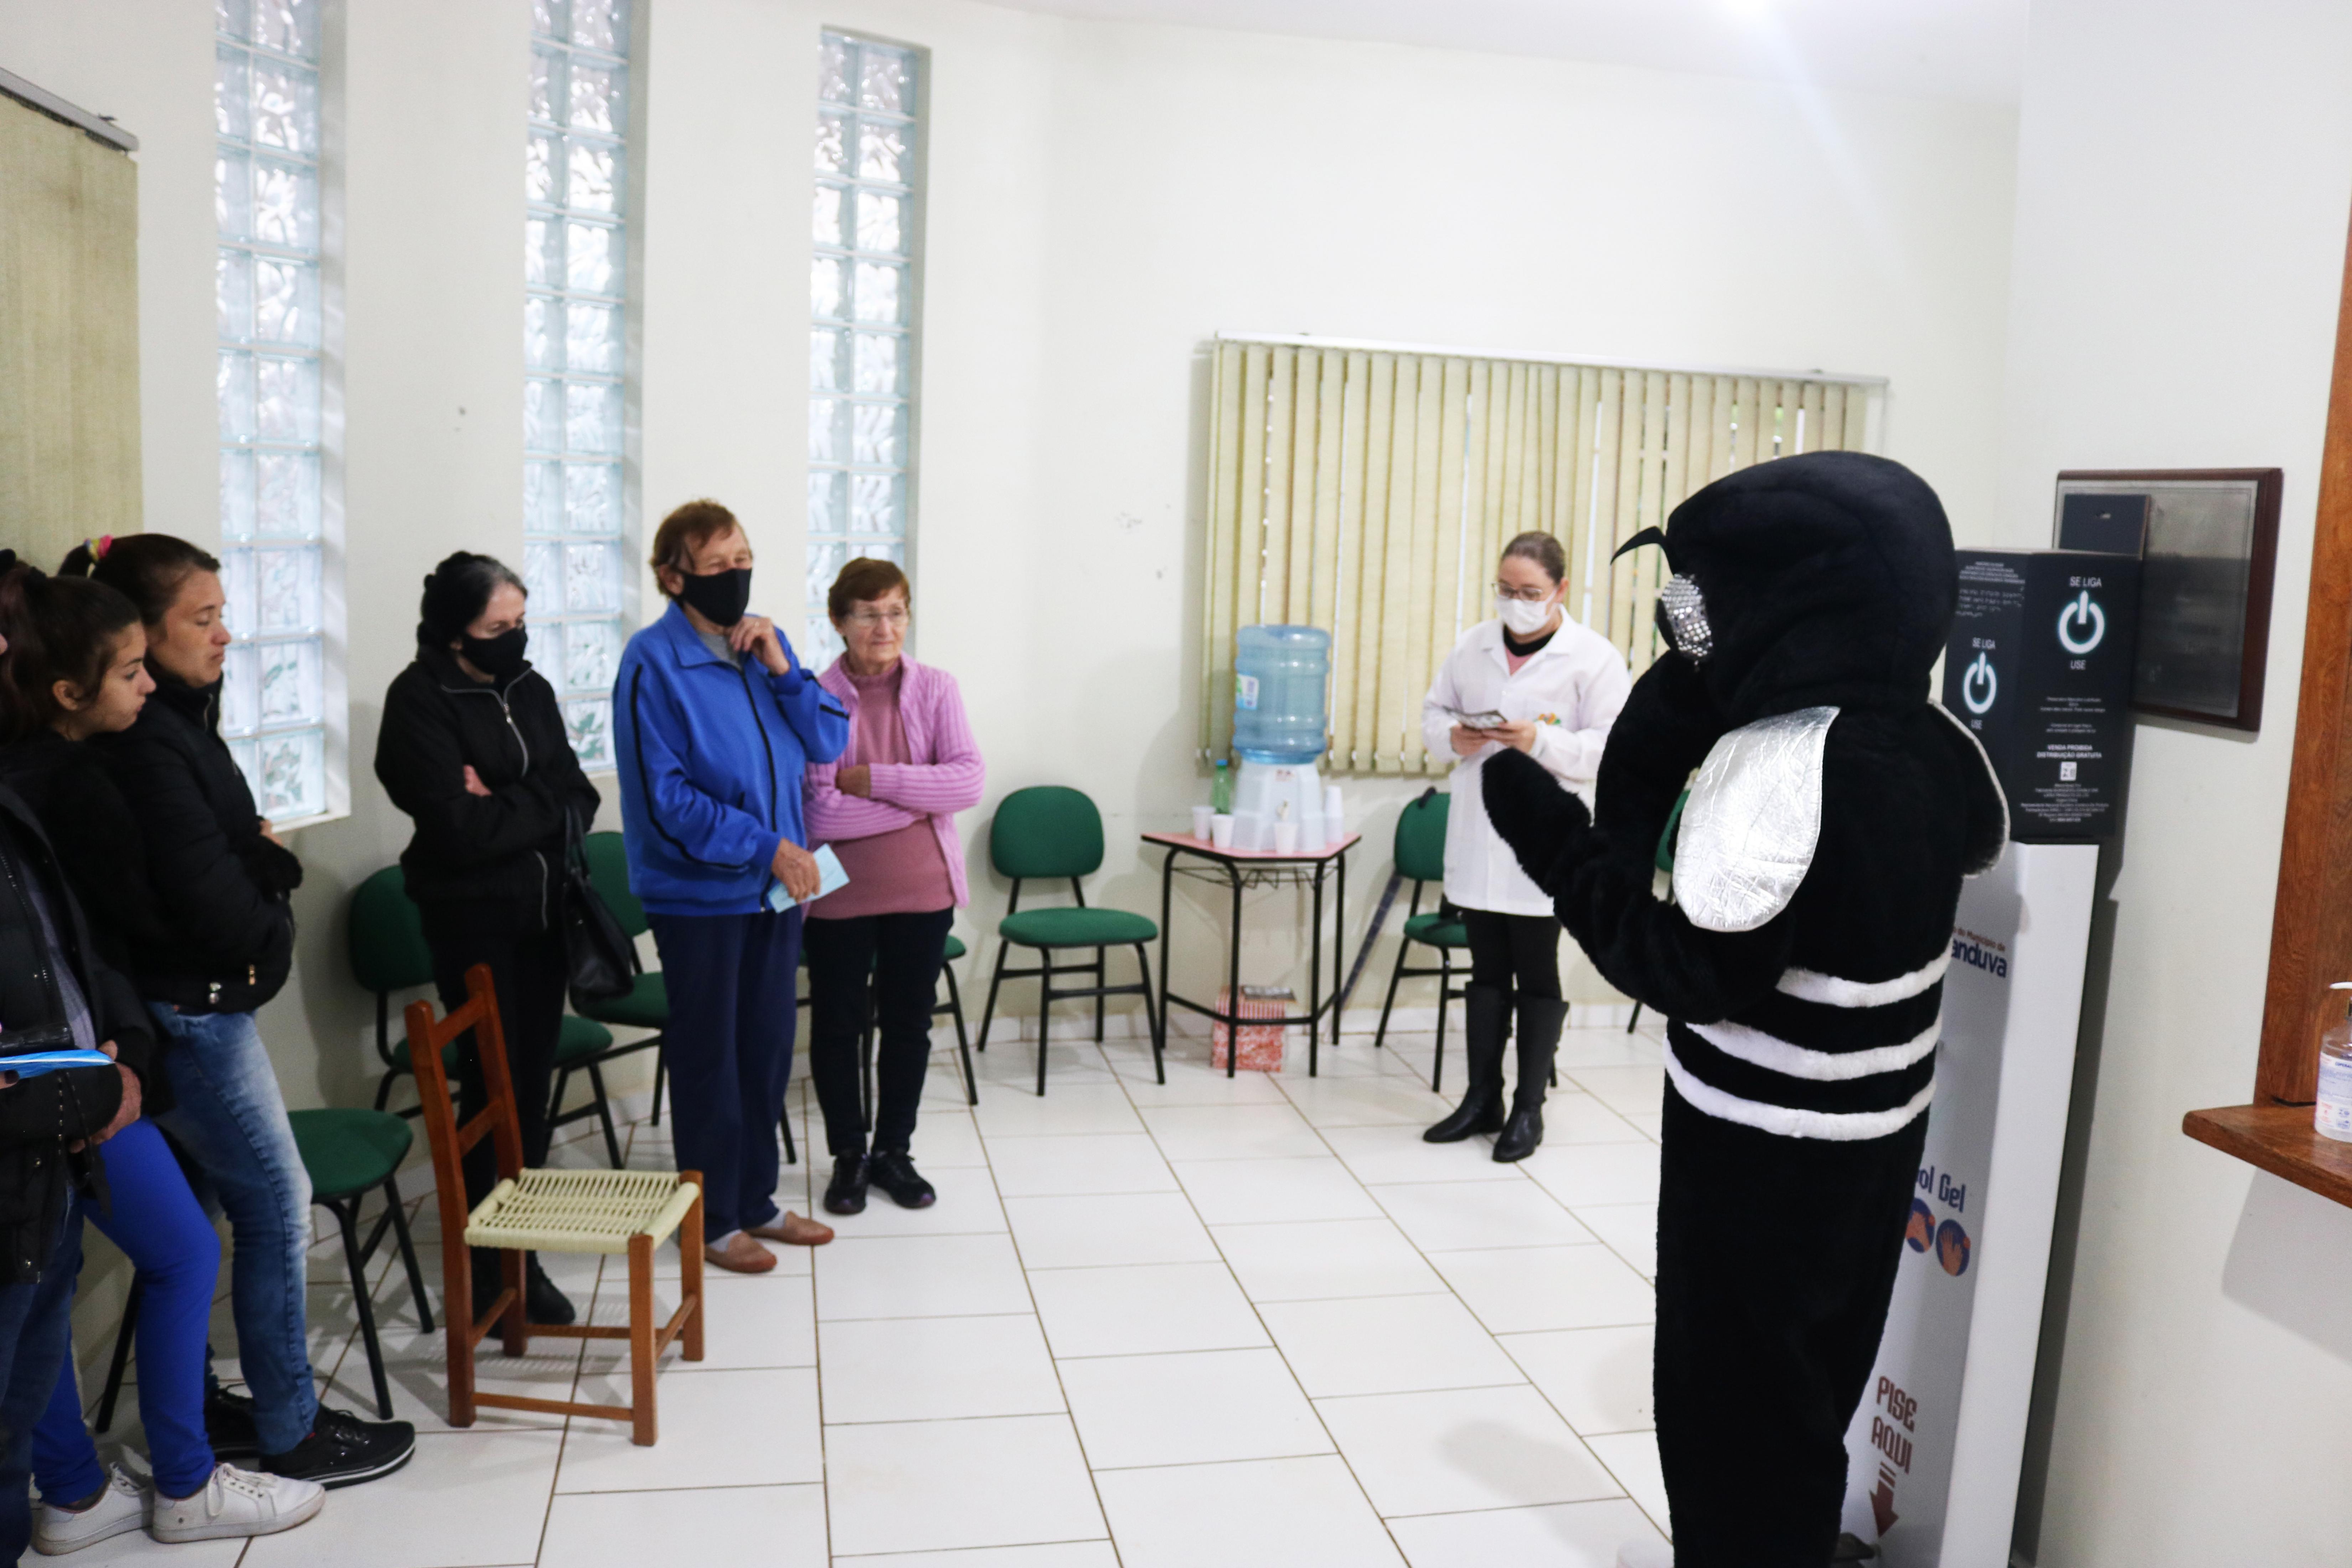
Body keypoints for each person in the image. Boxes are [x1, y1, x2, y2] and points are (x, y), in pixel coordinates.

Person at [1478, 452, 2008, 1567]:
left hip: (1762, 1146)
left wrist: (1555, 841)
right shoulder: (1924, 743)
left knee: (1729, 1401)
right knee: (1817, 1378)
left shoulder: (1781, 767)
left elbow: (1689, 969)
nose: (1691, 628)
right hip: (1878, 1135)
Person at [62, 535, 414, 1488]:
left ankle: (199, 1409)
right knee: (276, 1204)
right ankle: (293, 1429)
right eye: (204, 618)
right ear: (142, 632)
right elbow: (211, 901)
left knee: (210, 1210)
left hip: (190, 1004)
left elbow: (227, 855)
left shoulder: (173, 718)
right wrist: (273, 877)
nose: (227, 634)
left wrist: (257, 862)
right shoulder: (146, 744)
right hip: (192, 1011)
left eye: (223, 614)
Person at [0, 559, 324, 1551]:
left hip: (89, 1060)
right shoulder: (71, 779)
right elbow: (153, 913)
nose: (148, 684)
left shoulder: (73, 766)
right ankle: (179, 1480)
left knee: (62, 1275)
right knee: (157, 1254)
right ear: (64, 686)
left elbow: (85, 946)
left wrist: (123, 1048)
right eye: (131, 668)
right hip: (54, 1076)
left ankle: (77, 1490)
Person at [612, 501, 849, 1273]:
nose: (736, 575)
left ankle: (756, 1201)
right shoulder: (652, 662)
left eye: (743, 559)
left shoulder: (760, 649)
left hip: (772, 893)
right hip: (699, 897)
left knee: (767, 1048)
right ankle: (711, 1220)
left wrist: (784, 669)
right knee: (710, 1057)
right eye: (716, 565)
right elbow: (666, 799)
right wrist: (768, 846)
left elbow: (829, 738)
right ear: (672, 577)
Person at [376, 552, 601, 1327]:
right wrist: (538, 804)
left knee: (529, 1090)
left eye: (520, 622)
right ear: (454, 632)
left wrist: (506, 796)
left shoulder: (528, 687)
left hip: (545, 917)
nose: (515, 638)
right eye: (497, 626)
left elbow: (581, 797)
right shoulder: (418, 700)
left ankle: (520, 1251)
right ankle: (491, 1266)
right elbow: (458, 832)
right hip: (474, 924)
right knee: (492, 1089)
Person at [1417, 531, 1631, 1161]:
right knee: (1486, 971)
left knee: (1537, 971)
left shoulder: (1593, 659)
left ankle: (1528, 1110)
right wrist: (1453, 738)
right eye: (1506, 589)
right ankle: (1481, 1097)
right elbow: (1433, 715)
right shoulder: (1472, 646)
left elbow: (1612, 750)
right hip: (1480, 834)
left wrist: (1540, 741)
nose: (1516, 602)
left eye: (1530, 592)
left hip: (1546, 842)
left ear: (1560, 589)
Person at [802, 558, 984, 1217]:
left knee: (908, 1025)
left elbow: (967, 781)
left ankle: (893, 1153)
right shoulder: (815, 695)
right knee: (838, 1027)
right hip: (838, 896)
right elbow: (820, 813)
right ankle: (849, 1156)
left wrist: (877, 781)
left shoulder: (937, 687)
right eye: (869, 614)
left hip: (923, 891)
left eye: (897, 612)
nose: (885, 627)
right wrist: (917, 802)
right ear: (838, 621)